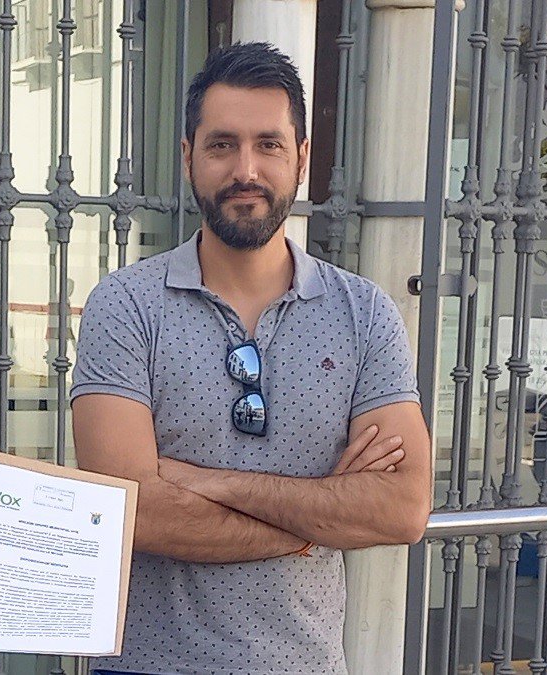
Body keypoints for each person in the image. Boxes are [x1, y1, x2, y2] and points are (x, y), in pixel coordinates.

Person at [71, 42, 431, 674]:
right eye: (222, 145)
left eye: (269, 145)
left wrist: (209, 482)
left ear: (302, 159)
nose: (246, 169)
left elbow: (402, 508)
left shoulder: (364, 313)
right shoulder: (126, 305)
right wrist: (319, 515)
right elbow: (132, 512)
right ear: (188, 157)